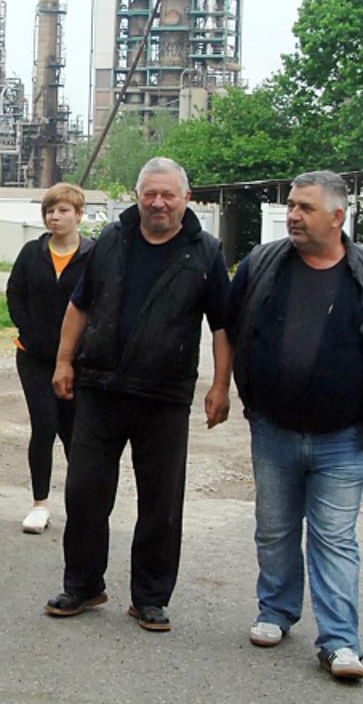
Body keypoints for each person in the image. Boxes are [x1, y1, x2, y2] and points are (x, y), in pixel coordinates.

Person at [225, 170, 363, 681]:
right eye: (291, 205)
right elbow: (234, 322)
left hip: (344, 438)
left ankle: (339, 641)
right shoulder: (262, 265)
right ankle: (276, 611)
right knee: (275, 529)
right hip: (272, 430)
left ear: (338, 216)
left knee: (334, 538)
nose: (292, 215)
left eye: (305, 207)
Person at [44, 157, 231, 633]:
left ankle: (149, 597)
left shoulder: (206, 252)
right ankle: (84, 585)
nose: (158, 203)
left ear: (186, 199)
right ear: (138, 195)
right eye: (150, 193)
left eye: (168, 194)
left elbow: (223, 326)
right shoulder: (112, 240)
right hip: (100, 388)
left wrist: (221, 385)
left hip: (164, 397)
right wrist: (64, 362)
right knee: (85, 492)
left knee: (161, 503)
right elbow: (79, 306)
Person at [5, 183, 93, 534]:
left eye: (63, 211)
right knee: (43, 427)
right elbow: (15, 294)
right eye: (49, 211)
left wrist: (76, 349)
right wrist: (33, 334)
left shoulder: (94, 255)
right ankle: (39, 504)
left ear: (79, 214)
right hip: (34, 358)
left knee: (75, 432)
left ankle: (81, 504)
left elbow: (99, 304)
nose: (54, 217)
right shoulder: (31, 252)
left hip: (78, 361)